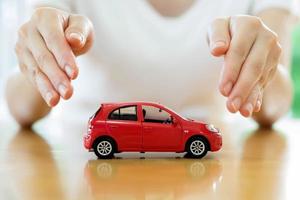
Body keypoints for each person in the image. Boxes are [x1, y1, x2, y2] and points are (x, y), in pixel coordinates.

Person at [5, 0, 298, 128]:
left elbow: (275, 104)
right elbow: (21, 106)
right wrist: (47, 57)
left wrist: (259, 70)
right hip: (79, 164)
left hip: (218, 173)